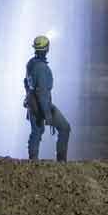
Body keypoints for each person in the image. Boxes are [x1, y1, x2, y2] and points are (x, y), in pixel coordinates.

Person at [23, 34, 70, 162]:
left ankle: (33, 160)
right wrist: (47, 115)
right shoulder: (42, 68)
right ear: (46, 49)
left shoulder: (31, 64)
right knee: (65, 128)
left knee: (36, 132)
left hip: (32, 103)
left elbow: (26, 82)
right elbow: (43, 93)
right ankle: (61, 160)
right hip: (43, 105)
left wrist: (28, 96)